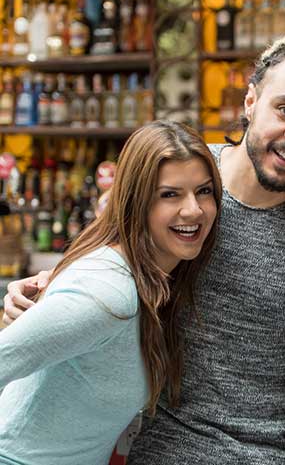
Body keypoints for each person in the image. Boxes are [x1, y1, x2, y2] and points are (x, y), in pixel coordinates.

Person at [3, 36, 285, 465]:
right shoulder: (185, 178)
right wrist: (49, 290)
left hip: (262, 455)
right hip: (159, 443)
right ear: (251, 101)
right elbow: (114, 251)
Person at [0, 120, 222, 465]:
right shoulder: (109, 292)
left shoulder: (155, 278)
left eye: (204, 191)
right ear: (137, 201)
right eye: (170, 194)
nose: (193, 209)